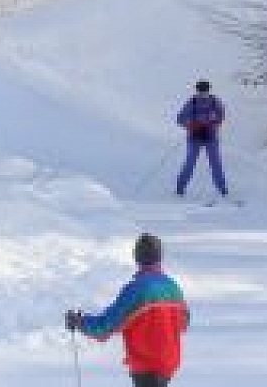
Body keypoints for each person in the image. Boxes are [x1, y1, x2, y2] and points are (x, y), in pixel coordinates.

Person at [65, 233, 189, 387]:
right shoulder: (173, 288)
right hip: (167, 366)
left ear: (137, 257)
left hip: (146, 367)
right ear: (160, 257)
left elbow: (105, 327)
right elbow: (184, 324)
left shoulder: (136, 289)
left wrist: (79, 322)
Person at [175, 79, 228, 197]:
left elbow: (221, 116)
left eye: (205, 91)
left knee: (215, 163)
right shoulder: (192, 102)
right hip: (194, 138)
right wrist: (191, 124)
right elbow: (180, 118)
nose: (203, 93)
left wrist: (213, 121)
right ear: (197, 90)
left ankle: (223, 190)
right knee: (190, 162)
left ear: (209, 90)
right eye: (200, 91)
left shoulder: (215, 102)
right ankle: (180, 189)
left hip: (211, 137)